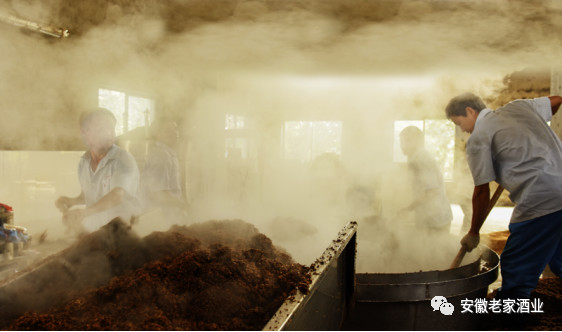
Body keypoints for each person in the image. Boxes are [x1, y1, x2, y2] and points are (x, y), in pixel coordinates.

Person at [445, 92, 562, 299]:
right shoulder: (519, 107)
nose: (462, 129)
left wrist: (473, 232)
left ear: (470, 111)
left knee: (516, 263)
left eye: (458, 122)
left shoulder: (478, 139)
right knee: (558, 256)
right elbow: (556, 100)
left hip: (541, 198)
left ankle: (512, 315)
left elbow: (482, 191)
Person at [55, 108, 141, 233]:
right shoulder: (84, 162)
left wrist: (85, 212)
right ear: (84, 132)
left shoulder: (123, 159)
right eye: (102, 129)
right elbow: (89, 194)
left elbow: (117, 195)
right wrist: (72, 201)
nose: (110, 133)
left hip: (124, 235)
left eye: (111, 128)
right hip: (97, 234)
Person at [397, 126, 453, 232]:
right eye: (401, 142)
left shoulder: (421, 159)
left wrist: (408, 209)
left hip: (435, 221)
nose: (401, 146)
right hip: (428, 218)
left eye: (404, 141)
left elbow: (431, 192)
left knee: (433, 248)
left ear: (415, 141)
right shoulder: (415, 157)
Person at [139, 118, 186, 213]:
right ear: (157, 134)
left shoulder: (167, 153)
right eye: (168, 131)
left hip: (166, 214)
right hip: (159, 216)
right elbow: (157, 194)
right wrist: (186, 207)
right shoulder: (161, 155)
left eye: (176, 129)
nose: (175, 133)